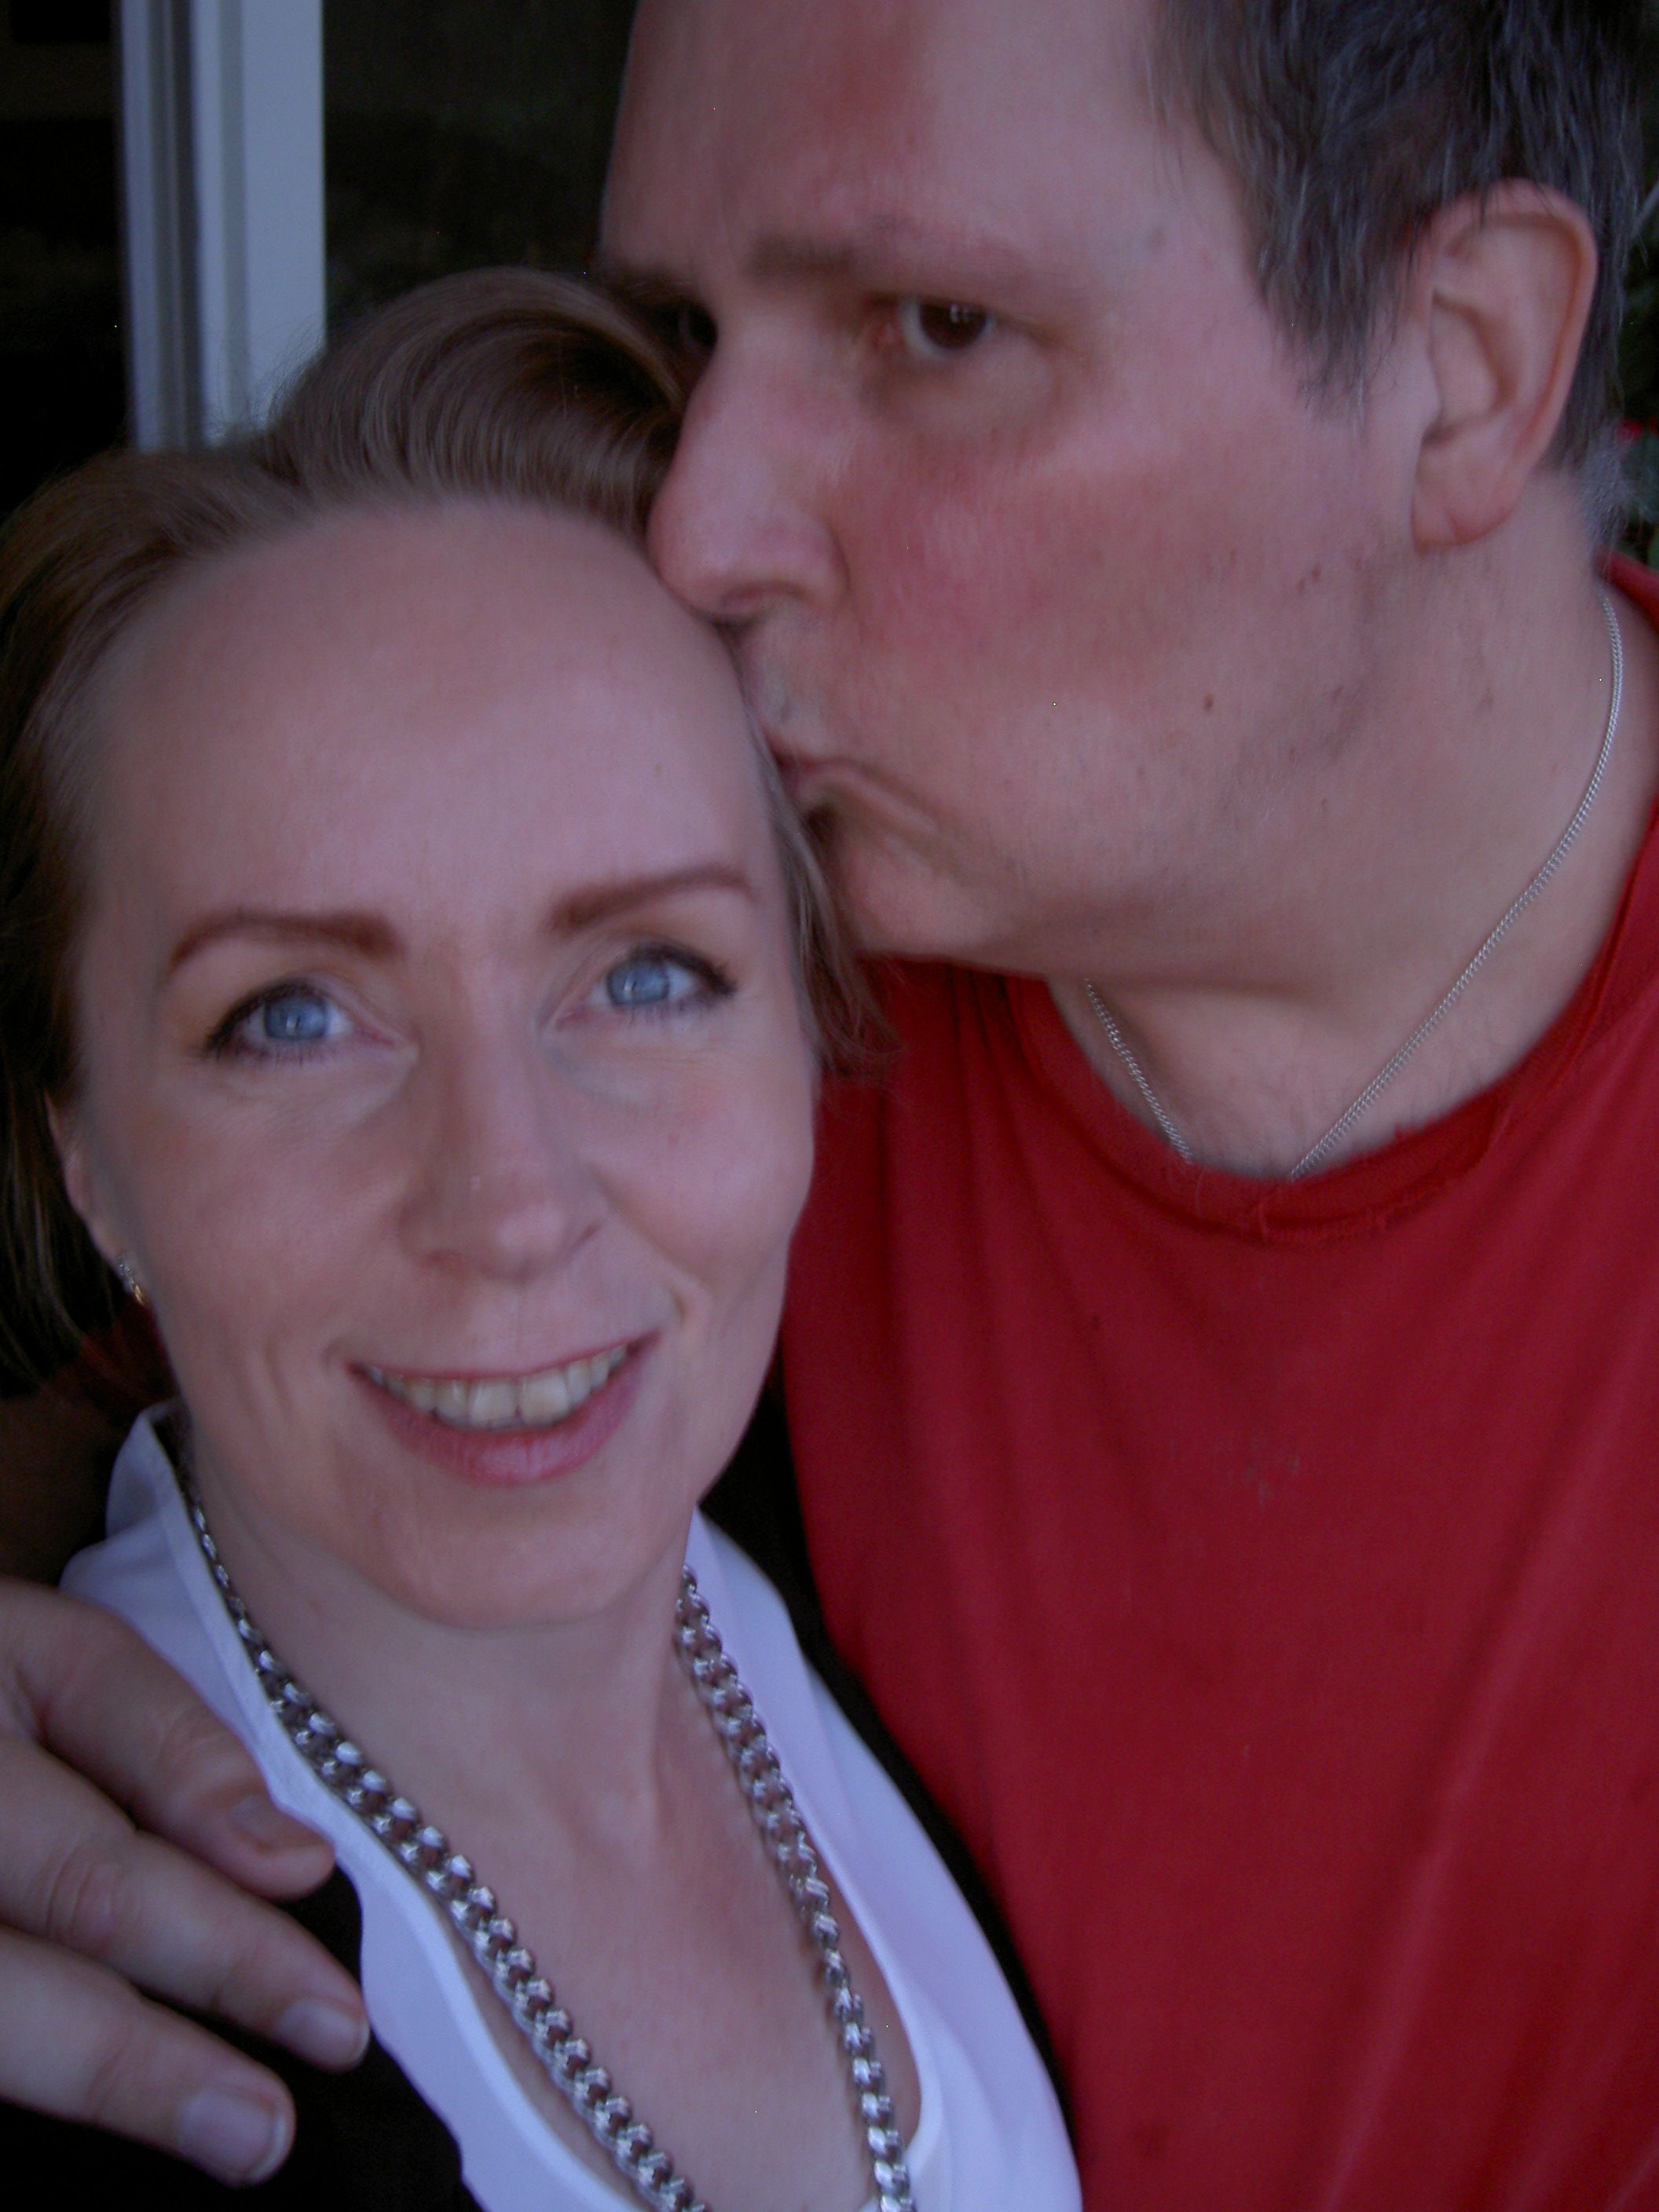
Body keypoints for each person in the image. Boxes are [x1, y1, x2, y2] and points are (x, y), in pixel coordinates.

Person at [0, 0, 1657, 2206]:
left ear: (1461, 357)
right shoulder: (731, 932)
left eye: (932, 326)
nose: (696, 527)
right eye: (687, 336)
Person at [0, 267, 1080, 2210]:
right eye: (291, 1017)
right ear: (88, 1155)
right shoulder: (76, 2010)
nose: (510, 1207)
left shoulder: (866, 1552)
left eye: (650, 974)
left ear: (809, 1035)